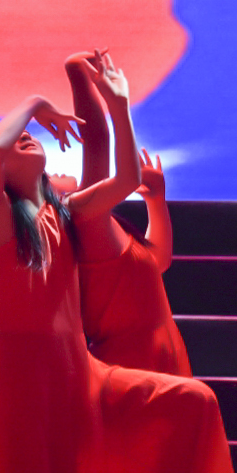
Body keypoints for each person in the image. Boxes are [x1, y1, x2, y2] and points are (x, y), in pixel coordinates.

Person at [0, 55, 237, 473]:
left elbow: (128, 176)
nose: (23, 139)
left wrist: (120, 103)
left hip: (80, 372)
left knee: (194, 400)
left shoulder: (66, 212)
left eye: (27, 135)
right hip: (22, 377)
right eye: (11, 138)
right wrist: (37, 104)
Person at [65, 53, 191, 376]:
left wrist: (156, 201)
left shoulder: (98, 224)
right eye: (47, 175)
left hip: (160, 358)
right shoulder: (81, 215)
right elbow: (97, 139)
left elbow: (157, 260)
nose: (56, 170)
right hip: (132, 367)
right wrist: (81, 75)